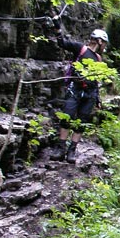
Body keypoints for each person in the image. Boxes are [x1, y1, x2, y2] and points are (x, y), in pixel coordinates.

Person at [49, 19, 108, 163]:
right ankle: (60, 148)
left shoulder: (99, 59)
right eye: (104, 43)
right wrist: (57, 27)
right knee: (67, 117)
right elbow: (62, 43)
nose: (104, 46)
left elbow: (96, 80)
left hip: (90, 94)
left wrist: (98, 99)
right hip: (75, 89)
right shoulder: (80, 48)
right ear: (99, 41)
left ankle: (72, 151)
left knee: (81, 122)